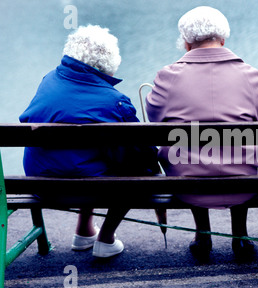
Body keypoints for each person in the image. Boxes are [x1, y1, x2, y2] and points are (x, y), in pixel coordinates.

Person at [19, 25, 162, 258]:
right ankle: (105, 239)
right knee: (134, 170)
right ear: (108, 61)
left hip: (39, 184)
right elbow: (140, 154)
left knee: (85, 156)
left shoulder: (49, 80)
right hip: (86, 187)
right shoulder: (113, 101)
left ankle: (84, 231)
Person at [146, 6, 258, 259]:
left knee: (187, 150)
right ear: (223, 40)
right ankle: (240, 236)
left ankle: (203, 234)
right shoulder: (250, 74)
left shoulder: (167, 76)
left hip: (189, 182)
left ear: (186, 42)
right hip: (245, 182)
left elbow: (155, 119)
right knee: (244, 147)